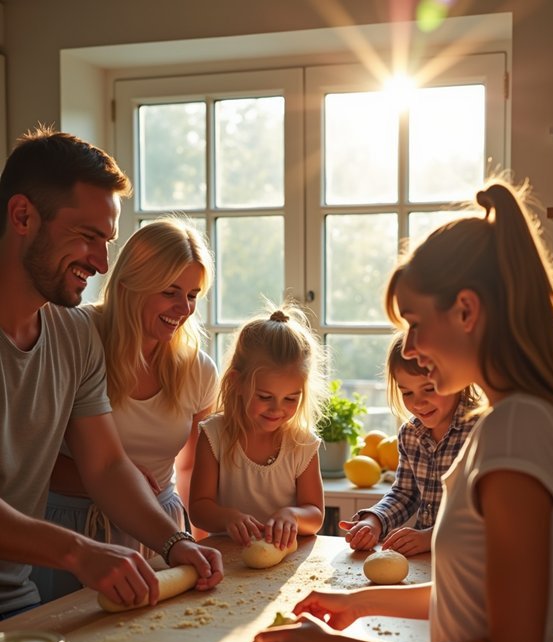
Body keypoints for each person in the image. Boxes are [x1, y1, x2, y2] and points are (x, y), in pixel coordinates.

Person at [252, 178, 553, 642]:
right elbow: (475, 599)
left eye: (414, 321)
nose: (413, 344)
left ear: (465, 309)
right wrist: (361, 607)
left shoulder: (514, 429)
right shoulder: (520, 420)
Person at [0, 126, 223, 620]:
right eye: (88, 237)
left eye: (108, 242)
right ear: (22, 216)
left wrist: (175, 543)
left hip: (15, 598)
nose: (102, 262)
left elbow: (103, 466)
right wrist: (79, 552)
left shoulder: (73, 336)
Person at [42, 218, 218, 599]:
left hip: (162, 530)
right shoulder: (75, 336)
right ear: (129, 285)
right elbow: (33, 460)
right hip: (70, 528)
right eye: (170, 292)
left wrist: (193, 544)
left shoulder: (198, 369)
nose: (183, 308)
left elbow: (187, 470)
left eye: (192, 294)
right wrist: (117, 476)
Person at [188, 302, 328, 550]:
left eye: (291, 399)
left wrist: (293, 515)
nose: (277, 409)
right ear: (237, 383)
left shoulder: (302, 444)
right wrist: (227, 517)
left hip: (285, 558)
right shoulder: (215, 435)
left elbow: (315, 514)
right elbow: (199, 508)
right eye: (265, 397)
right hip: (230, 557)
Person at [340, 332, 480, 556]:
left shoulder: (481, 429)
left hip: (469, 557)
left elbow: (483, 511)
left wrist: (431, 537)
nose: (418, 402)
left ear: (456, 377)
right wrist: (374, 520)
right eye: (407, 392)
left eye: (429, 389)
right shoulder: (410, 434)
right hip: (427, 559)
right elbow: (405, 494)